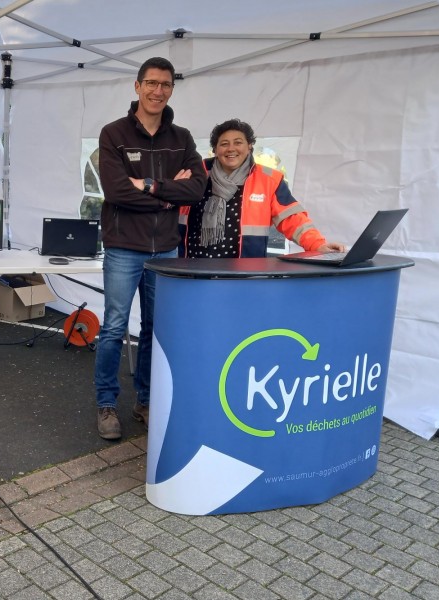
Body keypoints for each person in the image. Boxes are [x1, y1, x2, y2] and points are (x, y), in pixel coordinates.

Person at [95, 57, 207, 440]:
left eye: (166, 84)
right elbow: (116, 191)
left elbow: (197, 189)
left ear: (172, 89)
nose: (158, 91)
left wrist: (150, 186)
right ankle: (106, 403)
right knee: (112, 328)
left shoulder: (183, 138)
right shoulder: (113, 134)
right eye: (152, 83)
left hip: (166, 251)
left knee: (156, 329)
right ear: (137, 86)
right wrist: (166, 196)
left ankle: (145, 400)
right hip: (124, 247)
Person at [180, 118, 345, 259]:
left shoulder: (269, 179)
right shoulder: (195, 174)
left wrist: (318, 245)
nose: (231, 149)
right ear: (215, 149)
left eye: (238, 142)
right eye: (224, 144)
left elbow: (292, 219)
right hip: (191, 269)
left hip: (244, 275)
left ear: (249, 146)